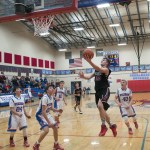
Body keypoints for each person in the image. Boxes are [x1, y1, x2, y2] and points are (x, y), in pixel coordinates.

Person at [79, 57, 117, 137]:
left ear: (107, 63)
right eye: (102, 60)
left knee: (100, 106)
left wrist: (89, 61)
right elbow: (89, 76)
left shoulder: (106, 70)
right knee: (102, 110)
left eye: (104, 60)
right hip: (97, 92)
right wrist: (83, 76)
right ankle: (111, 125)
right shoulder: (96, 70)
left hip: (104, 90)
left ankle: (103, 126)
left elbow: (98, 68)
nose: (102, 61)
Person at [33, 85, 64, 150]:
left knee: (55, 127)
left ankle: (56, 144)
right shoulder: (45, 98)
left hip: (47, 114)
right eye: (50, 88)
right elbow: (43, 112)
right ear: (47, 90)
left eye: (52, 88)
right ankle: (36, 144)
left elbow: (52, 108)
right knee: (46, 130)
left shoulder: (51, 97)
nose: (52, 89)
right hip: (40, 115)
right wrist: (49, 122)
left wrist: (58, 110)